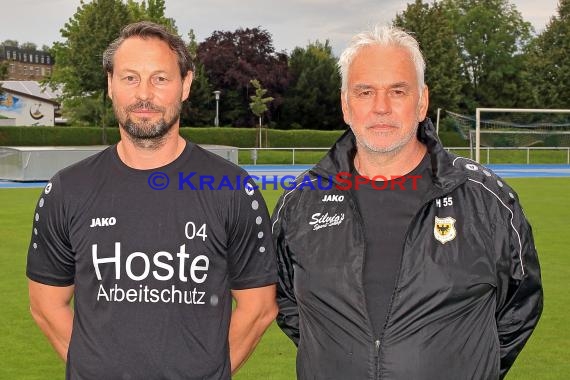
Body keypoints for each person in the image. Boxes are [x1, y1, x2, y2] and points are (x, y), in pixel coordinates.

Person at [272, 24, 543, 380]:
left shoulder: (486, 199)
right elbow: (287, 302)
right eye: (365, 91)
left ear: (422, 101)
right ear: (345, 104)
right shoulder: (300, 202)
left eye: (397, 91)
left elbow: (520, 304)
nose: (381, 107)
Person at [27, 21, 278, 379]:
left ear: (185, 85)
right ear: (110, 85)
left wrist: (206, 374)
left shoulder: (233, 188)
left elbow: (259, 308)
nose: (144, 94)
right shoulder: (67, 190)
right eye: (130, 78)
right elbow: (45, 306)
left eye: (160, 78)